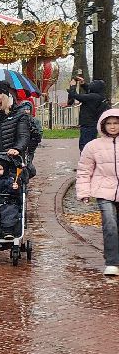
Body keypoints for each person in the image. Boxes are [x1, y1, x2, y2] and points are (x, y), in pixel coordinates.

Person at [76, 107, 119, 277]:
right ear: (103, 125)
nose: (113, 127)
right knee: (110, 224)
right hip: (103, 190)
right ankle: (112, 262)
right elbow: (84, 170)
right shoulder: (93, 146)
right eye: (109, 123)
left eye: (116, 123)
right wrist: (84, 192)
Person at [68, 76, 111, 151]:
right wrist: (83, 84)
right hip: (93, 123)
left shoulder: (92, 97)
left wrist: (73, 86)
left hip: (88, 124)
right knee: (89, 143)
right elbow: (90, 90)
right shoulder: (99, 95)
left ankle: (86, 159)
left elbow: (75, 95)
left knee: (85, 144)